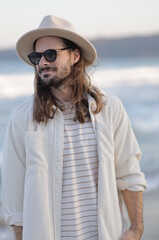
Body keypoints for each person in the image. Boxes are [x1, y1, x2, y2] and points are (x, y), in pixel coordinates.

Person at [2, 15, 147, 240]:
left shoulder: (110, 110)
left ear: (74, 56)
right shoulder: (21, 119)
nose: (42, 62)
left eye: (50, 54)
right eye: (36, 56)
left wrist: (135, 229)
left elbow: (129, 174)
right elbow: (14, 204)